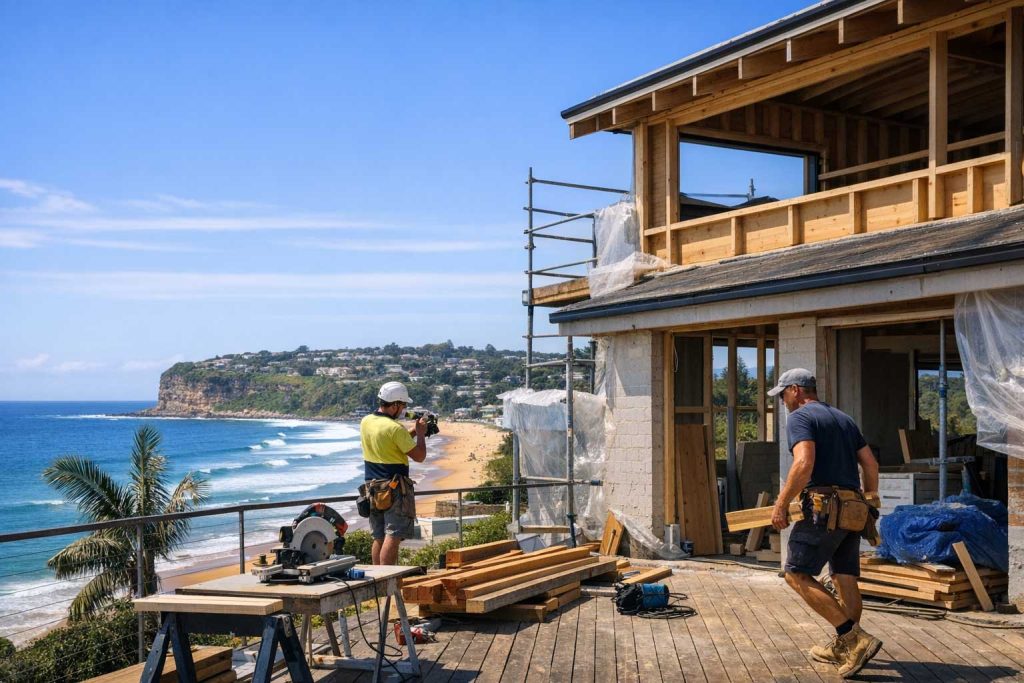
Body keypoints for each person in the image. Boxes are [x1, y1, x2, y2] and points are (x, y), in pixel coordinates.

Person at [768, 368, 882, 679]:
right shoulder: (844, 419)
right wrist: (870, 503)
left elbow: (804, 463)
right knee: (844, 577)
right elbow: (870, 464)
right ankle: (844, 645)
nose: (782, 402)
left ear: (795, 390)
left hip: (824, 507)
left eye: (782, 395)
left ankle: (852, 638)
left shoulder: (801, 417)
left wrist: (781, 504)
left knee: (796, 574)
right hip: (853, 508)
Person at [360, 381, 427, 565]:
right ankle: (387, 580)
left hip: (373, 487)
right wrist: (421, 434)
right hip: (394, 488)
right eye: (403, 405)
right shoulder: (395, 429)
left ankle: (378, 584)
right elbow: (420, 456)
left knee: (379, 536)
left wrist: (412, 432)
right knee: (393, 535)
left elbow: (391, 441)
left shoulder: (366, 422)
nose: (404, 409)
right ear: (395, 404)